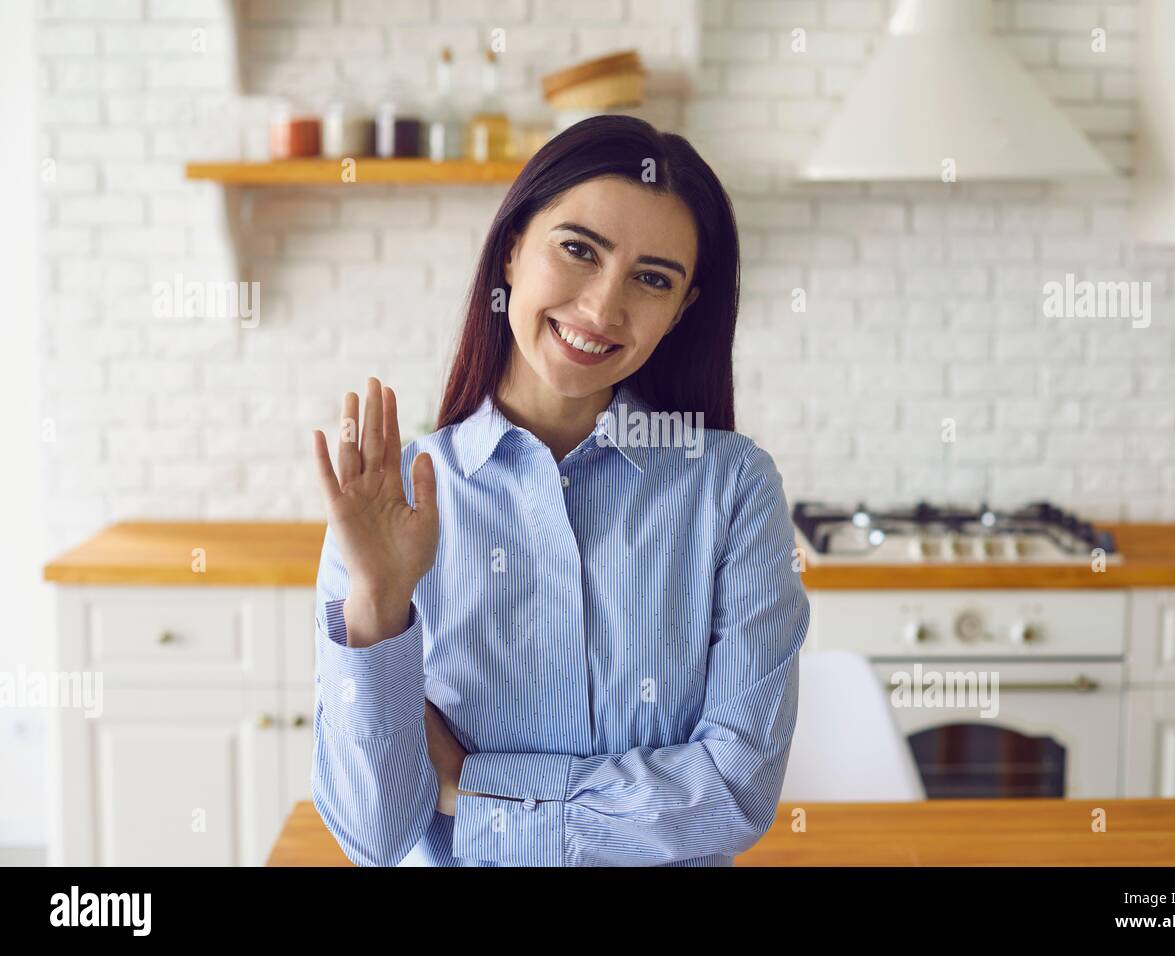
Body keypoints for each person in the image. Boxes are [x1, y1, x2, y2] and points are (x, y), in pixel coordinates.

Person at [309, 114, 809, 866]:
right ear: (512, 249)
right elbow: (375, 836)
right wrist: (378, 605)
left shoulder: (732, 489)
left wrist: (474, 786)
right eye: (579, 250)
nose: (604, 308)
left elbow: (735, 793)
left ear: (681, 311)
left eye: (651, 279)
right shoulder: (391, 501)